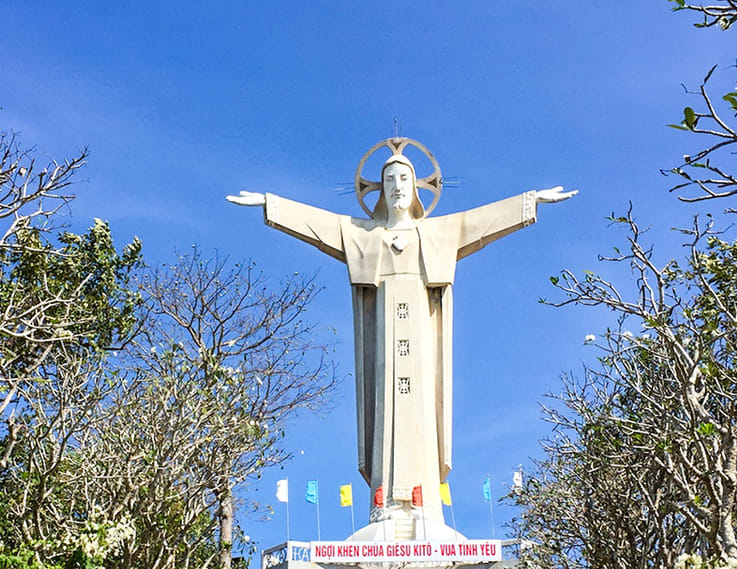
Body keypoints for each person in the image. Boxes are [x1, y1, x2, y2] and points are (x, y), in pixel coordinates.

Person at [227, 140, 574, 530]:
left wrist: (530, 202)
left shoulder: (438, 233)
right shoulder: (363, 235)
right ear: (378, 189)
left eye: (404, 178)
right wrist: (270, 205)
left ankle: (426, 509)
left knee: (421, 414)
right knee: (385, 413)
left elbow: (481, 221)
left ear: (418, 187)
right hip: (383, 336)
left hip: (422, 338)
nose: (397, 187)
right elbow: (319, 224)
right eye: (389, 179)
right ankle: (385, 506)